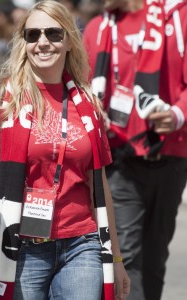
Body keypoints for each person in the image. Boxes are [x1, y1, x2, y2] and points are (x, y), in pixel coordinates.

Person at [0, 1, 130, 300]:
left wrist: (116, 259)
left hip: (82, 244)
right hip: (19, 246)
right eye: (32, 34)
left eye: (53, 33)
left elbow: (99, 185)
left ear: (68, 40)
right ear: (23, 42)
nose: (42, 42)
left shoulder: (88, 103)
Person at [83, 0, 187, 299]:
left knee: (156, 257)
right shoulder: (97, 28)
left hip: (170, 153)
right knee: (126, 257)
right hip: (120, 159)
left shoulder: (177, 16)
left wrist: (178, 114)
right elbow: (81, 85)